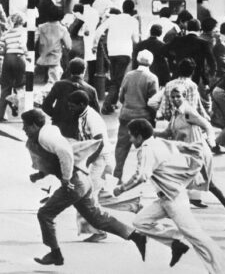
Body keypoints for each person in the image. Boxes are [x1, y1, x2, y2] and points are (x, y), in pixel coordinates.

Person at [23, 109, 146, 266]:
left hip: (75, 182)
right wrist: (40, 175)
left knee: (45, 214)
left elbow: (65, 152)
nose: (24, 130)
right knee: (97, 218)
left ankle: (56, 254)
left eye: (26, 126)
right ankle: (136, 236)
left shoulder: (46, 135)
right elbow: (54, 159)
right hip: (83, 179)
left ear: (34, 125)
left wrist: (66, 179)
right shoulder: (47, 133)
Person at [113, 119, 225, 272]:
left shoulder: (146, 149)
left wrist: (122, 188)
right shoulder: (160, 142)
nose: (130, 140)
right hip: (167, 198)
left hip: (174, 199)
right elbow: (184, 147)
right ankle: (176, 240)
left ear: (139, 137)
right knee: (140, 221)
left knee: (198, 238)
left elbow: (141, 176)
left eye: (131, 136)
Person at [154, 85, 225, 231]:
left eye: (178, 96)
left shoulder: (188, 112)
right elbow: (167, 132)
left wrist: (213, 143)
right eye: (173, 97)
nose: (175, 99)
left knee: (208, 185)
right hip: (186, 155)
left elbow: (207, 126)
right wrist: (148, 131)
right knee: (174, 182)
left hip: (197, 154)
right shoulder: (176, 113)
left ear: (184, 97)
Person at [67, 90, 115, 242]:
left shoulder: (92, 118)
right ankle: (96, 229)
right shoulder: (82, 115)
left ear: (82, 104)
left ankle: (100, 230)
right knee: (85, 195)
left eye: (73, 106)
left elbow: (99, 144)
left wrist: (86, 162)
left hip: (100, 160)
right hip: (94, 159)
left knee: (87, 195)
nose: (70, 109)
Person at [113, 50, 159, 183]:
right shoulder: (152, 78)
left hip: (126, 115)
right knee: (146, 149)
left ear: (137, 60)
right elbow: (153, 101)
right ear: (151, 62)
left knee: (122, 146)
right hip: (144, 117)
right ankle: (145, 176)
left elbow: (121, 96)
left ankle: (117, 175)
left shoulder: (128, 75)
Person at [94, 0, 140, 115]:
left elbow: (98, 31)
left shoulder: (112, 19)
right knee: (117, 81)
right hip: (125, 53)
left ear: (123, 8)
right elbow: (136, 40)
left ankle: (112, 104)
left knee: (115, 78)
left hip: (112, 52)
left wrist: (94, 45)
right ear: (132, 9)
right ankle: (107, 104)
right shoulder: (133, 21)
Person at [163, 19, 216, 109]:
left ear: (187, 28)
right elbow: (211, 61)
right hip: (196, 75)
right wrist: (210, 77)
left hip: (178, 74)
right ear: (200, 30)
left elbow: (164, 50)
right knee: (193, 101)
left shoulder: (177, 40)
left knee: (177, 100)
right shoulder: (203, 43)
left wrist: (174, 60)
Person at [42, 58, 99, 139]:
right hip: (79, 129)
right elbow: (96, 112)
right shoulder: (91, 90)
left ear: (69, 69)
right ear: (84, 70)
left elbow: (45, 105)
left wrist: (56, 115)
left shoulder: (59, 85)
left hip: (60, 126)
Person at [0, 12, 27, 122]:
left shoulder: (6, 33)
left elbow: (1, 48)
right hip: (19, 58)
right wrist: (28, 55)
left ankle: (0, 114)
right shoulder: (23, 32)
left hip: (7, 58)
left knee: (5, 87)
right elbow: (22, 44)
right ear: (22, 21)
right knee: (21, 85)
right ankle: (15, 99)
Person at [36, 8, 71, 86]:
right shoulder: (62, 29)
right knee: (54, 81)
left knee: (52, 77)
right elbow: (69, 45)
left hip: (43, 55)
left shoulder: (41, 27)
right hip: (55, 56)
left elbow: (33, 40)